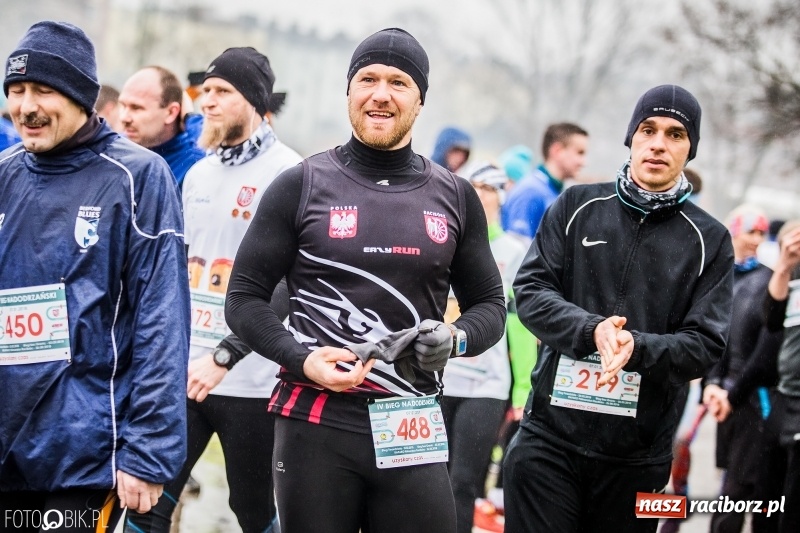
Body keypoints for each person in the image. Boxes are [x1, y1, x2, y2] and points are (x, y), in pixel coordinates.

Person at [224, 28, 506, 533]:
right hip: (315, 421)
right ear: (349, 91)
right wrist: (302, 357)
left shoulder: (455, 196)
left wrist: (455, 338)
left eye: (398, 82)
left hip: (411, 421)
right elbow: (244, 300)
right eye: (367, 79)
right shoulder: (300, 184)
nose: (380, 94)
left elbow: (490, 306)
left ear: (420, 100)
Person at [504, 84, 734, 533]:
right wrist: (591, 330)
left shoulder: (710, 240)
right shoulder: (576, 206)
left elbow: (705, 344)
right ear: (631, 137)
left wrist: (635, 348)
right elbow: (530, 291)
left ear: (690, 149)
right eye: (648, 129)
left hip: (638, 460)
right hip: (549, 440)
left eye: (675, 134)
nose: (659, 143)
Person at [0, 21, 190, 532]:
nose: (26, 106)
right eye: (16, 91)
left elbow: (162, 319)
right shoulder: (5, 173)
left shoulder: (138, 177)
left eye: (44, 90)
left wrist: (148, 448)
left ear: (81, 96)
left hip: (83, 452)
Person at [124, 47, 301, 533]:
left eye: (223, 92)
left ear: (253, 101)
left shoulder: (288, 173)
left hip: (252, 381)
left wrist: (226, 354)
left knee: (254, 512)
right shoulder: (198, 173)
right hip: (185, 374)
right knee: (146, 503)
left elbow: (289, 285)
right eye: (206, 91)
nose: (208, 101)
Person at [440, 161, 536, 533]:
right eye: (475, 186)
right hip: (441, 379)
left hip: (487, 385)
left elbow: (520, 326)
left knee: (463, 481)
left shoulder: (514, 250)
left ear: (502, 197)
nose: (482, 195)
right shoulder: (445, 241)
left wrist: (523, 387)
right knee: (429, 477)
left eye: (491, 189)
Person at [703, 205, 782, 533]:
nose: (756, 239)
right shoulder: (717, 274)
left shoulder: (768, 281)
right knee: (733, 482)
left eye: (762, 233)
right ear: (733, 230)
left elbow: (766, 349)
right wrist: (711, 384)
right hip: (727, 397)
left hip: (754, 399)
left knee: (743, 490)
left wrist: (732, 393)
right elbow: (713, 335)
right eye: (751, 231)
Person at [763, 219, 800, 533]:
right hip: (784, 396)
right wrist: (785, 267)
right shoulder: (794, 274)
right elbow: (772, 319)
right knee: (769, 494)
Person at [118, 66, 205, 188]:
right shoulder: (115, 151)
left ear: (171, 112)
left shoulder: (192, 159)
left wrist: (189, 117)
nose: (124, 118)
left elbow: (212, 152)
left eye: (136, 108)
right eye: (122, 105)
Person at [502, 122, 588, 239]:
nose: (583, 162)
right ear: (557, 151)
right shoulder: (531, 191)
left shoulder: (554, 190)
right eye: (579, 152)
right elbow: (518, 250)